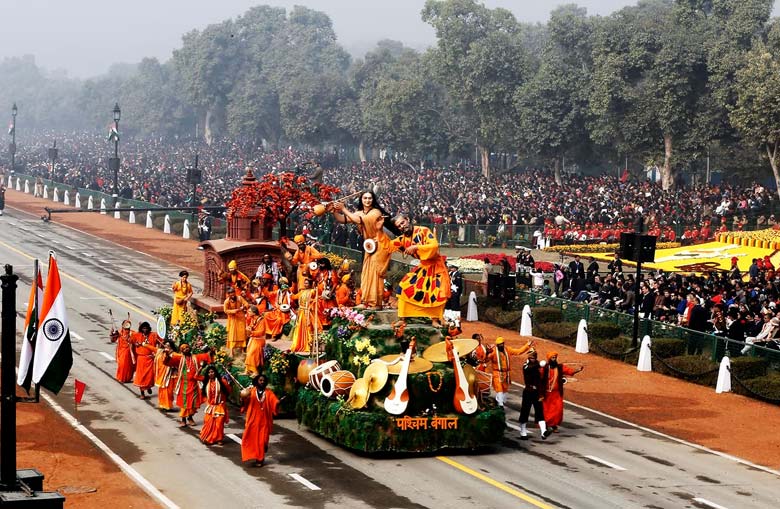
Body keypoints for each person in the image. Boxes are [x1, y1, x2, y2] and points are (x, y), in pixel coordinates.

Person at [331, 191, 396, 310]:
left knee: (376, 274)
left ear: (373, 200)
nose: (367, 200)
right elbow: (342, 219)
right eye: (365, 198)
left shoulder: (376, 212)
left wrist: (344, 208)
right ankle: (367, 301)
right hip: (369, 246)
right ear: (361, 200)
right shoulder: (359, 212)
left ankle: (376, 303)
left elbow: (358, 220)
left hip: (380, 244)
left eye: (370, 198)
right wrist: (334, 210)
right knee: (366, 274)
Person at [389, 212, 451, 326]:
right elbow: (388, 245)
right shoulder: (402, 239)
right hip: (423, 267)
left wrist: (416, 247)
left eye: (402, 222)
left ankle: (435, 320)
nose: (402, 226)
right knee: (404, 287)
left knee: (437, 292)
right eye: (399, 226)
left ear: (407, 219)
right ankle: (402, 319)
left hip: (436, 267)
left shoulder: (424, 231)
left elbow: (434, 246)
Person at [164, 342, 212, 427]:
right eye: (184, 348)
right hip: (184, 384)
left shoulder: (195, 357)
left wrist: (211, 352)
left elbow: (206, 356)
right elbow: (168, 362)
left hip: (194, 384)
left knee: (193, 403)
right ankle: (183, 420)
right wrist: (167, 356)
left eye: (187, 347)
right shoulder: (179, 359)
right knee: (184, 403)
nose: (186, 349)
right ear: (182, 351)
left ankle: (190, 418)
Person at [240, 374, 280, 467]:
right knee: (251, 439)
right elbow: (244, 403)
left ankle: (262, 450)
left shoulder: (269, 392)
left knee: (262, 441)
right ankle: (259, 459)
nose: (262, 382)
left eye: (263, 380)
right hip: (253, 420)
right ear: (256, 381)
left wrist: (278, 403)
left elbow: (274, 401)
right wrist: (243, 398)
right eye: (260, 380)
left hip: (264, 420)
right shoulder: (251, 391)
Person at [484, 336, 533, 407]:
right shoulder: (494, 351)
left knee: (504, 391)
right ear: (497, 345)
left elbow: (518, 352)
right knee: (499, 389)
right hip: (497, 374)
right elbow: (486, 360)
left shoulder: (507, 349)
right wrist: (487, 353)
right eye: (499, 344)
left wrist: (527, 345)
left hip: (506, 374)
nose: (501, 345)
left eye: (502, 344)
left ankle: (500, 402)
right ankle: (500, 405)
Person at [541, 351, 583, 433]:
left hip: (557, 393)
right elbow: (538, 376)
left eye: (555, 358)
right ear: (549, 359)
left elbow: (570, 371)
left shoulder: (560, 367)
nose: (554, 359)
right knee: (546, 410)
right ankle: (545, 425)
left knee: (558, 410)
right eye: (552, 358)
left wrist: (578, 370)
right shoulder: (545, 368)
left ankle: (554, 425)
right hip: (546, 393)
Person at [519, 349, 550, 440]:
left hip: (537, 392)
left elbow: (544, 378)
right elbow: (529, 368)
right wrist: (539, 365)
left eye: (534, 358)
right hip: (528, 391)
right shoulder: (526, 365)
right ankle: (523, 431)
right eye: (531, 357)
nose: (532, 359)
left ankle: (544, 432)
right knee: (525, 411)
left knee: (540, 411)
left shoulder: (540, 365)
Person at [199, 365, 231, 446]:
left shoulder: (222, 381)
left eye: (212, 372)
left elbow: (228, 390)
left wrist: (223, 401)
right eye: (209, 372)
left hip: (219, 405)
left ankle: (219, 439)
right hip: (211, 406)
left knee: (219, 423)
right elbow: (195, 376)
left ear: (215, 373)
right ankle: (210, 437)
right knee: (207, 421)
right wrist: (200, 368)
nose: (211, 374)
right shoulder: (206, 382)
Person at [289, 278, 320, 353]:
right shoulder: (301, 291)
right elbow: (294, 297)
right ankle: (300, 343)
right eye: (305, 283)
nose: (305, 284)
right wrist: (289, 292)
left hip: (308, 313)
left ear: (310, 284)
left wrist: (311, 304)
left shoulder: (313, 291)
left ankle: (308, 344)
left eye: (307, 283)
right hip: (301, 312)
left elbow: (316, 300)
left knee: (308, 328)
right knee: (300, 328)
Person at [131, 321, 161, 399]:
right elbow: (130, 342)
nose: (145, 330)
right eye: (143, 328)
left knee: (150, 376)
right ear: (141, 329)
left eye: (146, 328)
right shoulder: (136, 335)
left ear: (149, 328)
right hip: (141, 359)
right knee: (141, 377)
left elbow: (161, 342)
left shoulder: (153, 335)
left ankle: (148, 387)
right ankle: (142, 393)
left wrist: (156, 354)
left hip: (150, 358)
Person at [155, 340, 177, 411]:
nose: (166, 346)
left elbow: (178, 361)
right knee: (162, 390)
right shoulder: (160, 352)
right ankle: (163, 405)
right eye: (165, 345)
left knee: (168, 391)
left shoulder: (174, 354)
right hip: (161, 374)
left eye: (168, 345)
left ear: (171, 346)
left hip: (169, 375)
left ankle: (168, 406)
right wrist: (144, 345)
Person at [244, 306, 266, 376]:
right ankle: (248, 370)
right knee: (248, 353)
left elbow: (261, 332)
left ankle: (255, 372)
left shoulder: (261, 320)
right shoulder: (252, 319)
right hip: (253, 339)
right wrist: (249, 328)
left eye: (250, 311)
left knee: (251, 354)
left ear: (254, 313)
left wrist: (251, 333)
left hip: (259, 340)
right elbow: (251, 326)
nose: (248, 312)